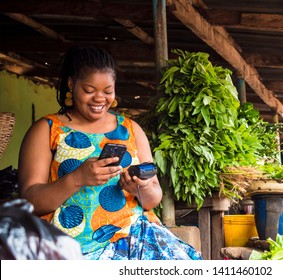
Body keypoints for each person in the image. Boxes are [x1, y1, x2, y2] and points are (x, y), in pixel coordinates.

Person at [17, 45, 202, 260]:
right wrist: (77, 178)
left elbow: (153, 198)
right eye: (89, 90)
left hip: (135, 237)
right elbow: (29, 201)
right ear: (71, 84)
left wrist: (139, 188)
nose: (99, 98)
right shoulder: (47, 130)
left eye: (107, 91)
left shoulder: (131, 129)